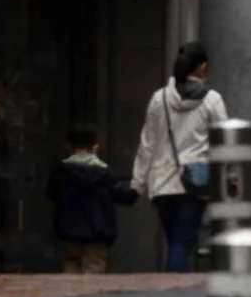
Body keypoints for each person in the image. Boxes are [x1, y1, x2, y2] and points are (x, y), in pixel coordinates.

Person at [132, 40, 227, 272]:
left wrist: (138, 183)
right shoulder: (211, 100)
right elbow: (224, 140)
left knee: (175, 240)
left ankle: (173, 286)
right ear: (203, 68)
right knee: (181, 244)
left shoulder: (159, 98)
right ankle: (172, 292)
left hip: (162, 185)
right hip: (193, 184)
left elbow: (148, 144)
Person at [46, 122, 136, 274]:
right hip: (97, 234)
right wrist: (137, 188)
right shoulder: (104, 173)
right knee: (94, 270)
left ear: (68, 146)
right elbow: (123, 196)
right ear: (95, 146)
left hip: (68, 232)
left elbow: (51, 194)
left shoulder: (61, 172)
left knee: (69, 268)